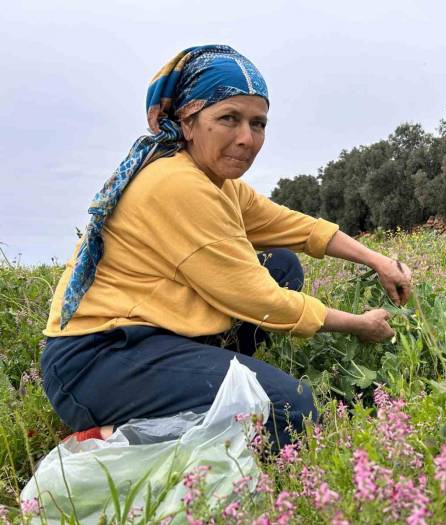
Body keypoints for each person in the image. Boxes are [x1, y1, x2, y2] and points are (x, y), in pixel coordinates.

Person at [40, 45, 412, 449]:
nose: (246, 139)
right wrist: (359, 324)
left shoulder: (218, 183)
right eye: (229, 119)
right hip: (99, 362)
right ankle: (110, 436)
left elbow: (295, 228)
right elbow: (257, 297)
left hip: (154, 333)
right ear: (188, 122)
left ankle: (213, 383)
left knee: (281, 263)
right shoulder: (178, 184)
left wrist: (377, 260)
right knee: (292, 412)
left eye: (258, 123)